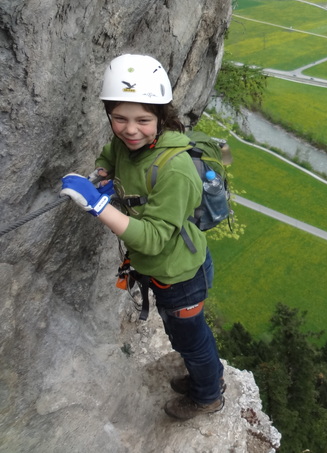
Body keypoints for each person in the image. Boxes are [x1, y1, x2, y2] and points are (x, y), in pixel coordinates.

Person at [60, 54, 225, 420]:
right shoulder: (127, 144)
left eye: (143, 120)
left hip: (181, 276)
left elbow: (152, 239)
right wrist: (102, 171)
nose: (130, 130)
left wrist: (97, 206)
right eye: (119, 118)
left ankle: (208, 394)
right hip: (160, 271)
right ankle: (206, 375)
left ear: (162, 118)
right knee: (185, 337)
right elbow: (112, 152)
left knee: (191, 340)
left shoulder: (176, 169)